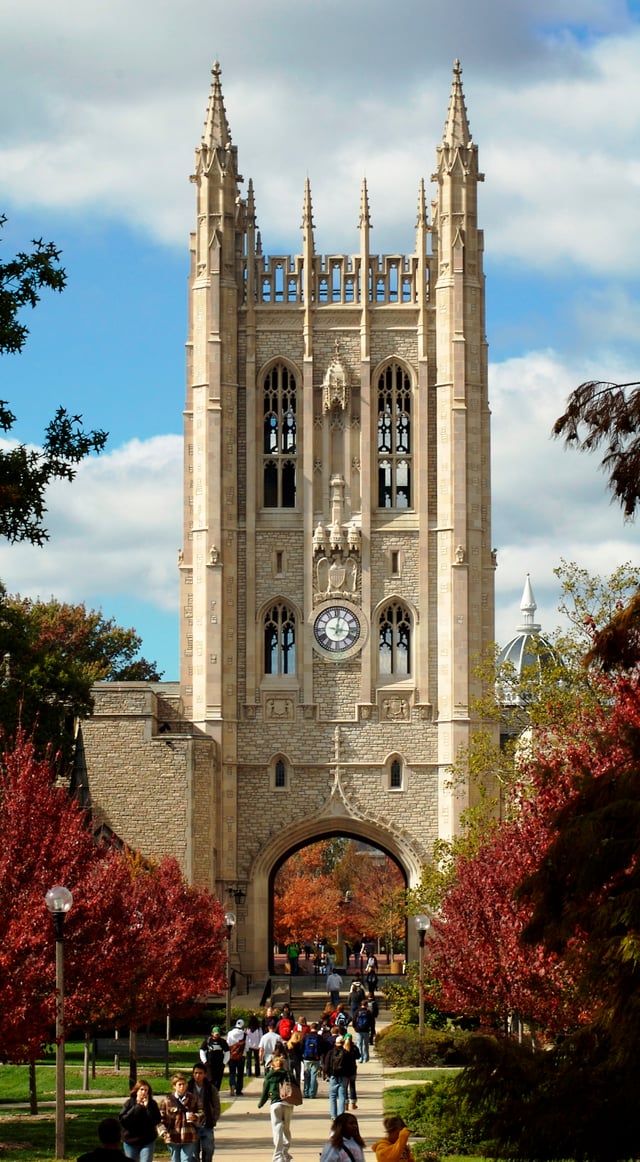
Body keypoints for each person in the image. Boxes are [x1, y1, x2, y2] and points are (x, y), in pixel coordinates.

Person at [257, 1051, 295, 1162]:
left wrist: (261, 1103)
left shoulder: (269, 1076)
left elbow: (265, 1091)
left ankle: (278, 1155)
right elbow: (296, 1086)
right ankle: (285, 1153)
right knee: (286, 1128)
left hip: (275, 1104)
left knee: (277, 1129)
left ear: (273, 1066)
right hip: (288, 1103)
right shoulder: (288, 1074)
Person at [159, 1072, 202, 1162]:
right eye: (179, 1084)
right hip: (173, 1136)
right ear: (174, 1086)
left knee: (186, 1160)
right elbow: (160, 1120)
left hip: (189, 1135)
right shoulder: (167, 1101)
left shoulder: (193, 1099)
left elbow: (202, 1112)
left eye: (184, 1084)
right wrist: (164, 1133)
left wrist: (195, 1116)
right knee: (175, 1160)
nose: (182, 1087)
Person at [119, 1079, 162, 1161]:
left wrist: (147, 1108)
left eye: (146, 1090)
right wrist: (138, 1107)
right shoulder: (129, 1103)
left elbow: (156, 1120)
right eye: (141, 1089)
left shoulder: (152, 1104)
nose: (144, 1092)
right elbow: (123, 1120)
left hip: (147, 1140)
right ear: (137, 1091)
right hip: (130, 1140)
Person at [187, 1063, 220, 1162]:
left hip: (207, 1124)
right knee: (193, 1152)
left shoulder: (210, 1088)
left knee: (208, 1149)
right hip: (192, 1126)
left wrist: (213, 1119)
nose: (197, 1075)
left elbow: (216, 1105)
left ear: (205, 1074)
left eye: (200, 1073)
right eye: (195, 1073)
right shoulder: (188, 1087)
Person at [324, 1034, 355, 1120]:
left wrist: (328, 1074)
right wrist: (349, 1075)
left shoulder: (330, 1052)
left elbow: (326, 1065)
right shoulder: (346, 1053)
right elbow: (351, 1066)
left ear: (335, 1043)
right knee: (342, 1096)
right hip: (343, 1076)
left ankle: (333, 1115)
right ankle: (341, 1115)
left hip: (333, 1076)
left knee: (333, 1096)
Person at [199, 1026, 228, 1091]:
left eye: (218, 1034)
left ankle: (216, 1092)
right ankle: (209, 1091)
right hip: (209, 1064)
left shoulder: (223, 1042)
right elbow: (202, 1051)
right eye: (216, 1034)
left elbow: (227, 1052)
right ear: (212, 1033)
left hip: (219, 1064)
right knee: (210, 1079)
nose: (217, 1035)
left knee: (218, 1079)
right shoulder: (207, 1041)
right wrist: (205, 1061)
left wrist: (224, 1062)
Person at [226, 1018, 247, 1096]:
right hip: (241, 1056)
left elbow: (228, 1043)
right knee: (240, 1074)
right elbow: (247, 1046)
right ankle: (239, 1090)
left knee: (232, 1072)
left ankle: (232, 1085)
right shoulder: (244, 1034)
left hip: (232, 1055)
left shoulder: (230, 1033)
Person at [301, 1021, 322, 1098]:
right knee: (314, 1076)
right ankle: (312, 1093)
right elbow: (322, 1047)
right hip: (316, 1058)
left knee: (306, 1075)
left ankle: (306, 1092)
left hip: (306, 1058)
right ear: (317, 1029)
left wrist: (302, 1055)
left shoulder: (306, 1036)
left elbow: (301, 1046)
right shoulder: (319, 1037)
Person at [353, 999, 374, 1063]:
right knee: (366, 1044)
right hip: (366, 1030)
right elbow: (372, 1022)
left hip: (358, 1030)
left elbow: (354, 1020)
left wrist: (355, 1027)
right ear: (366, 1005)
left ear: (361, 1004)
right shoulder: (368, 1012)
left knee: (359, 1044)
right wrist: (372, 1030)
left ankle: (360, 1058)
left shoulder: (357, 1011)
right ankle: (366, 1058)